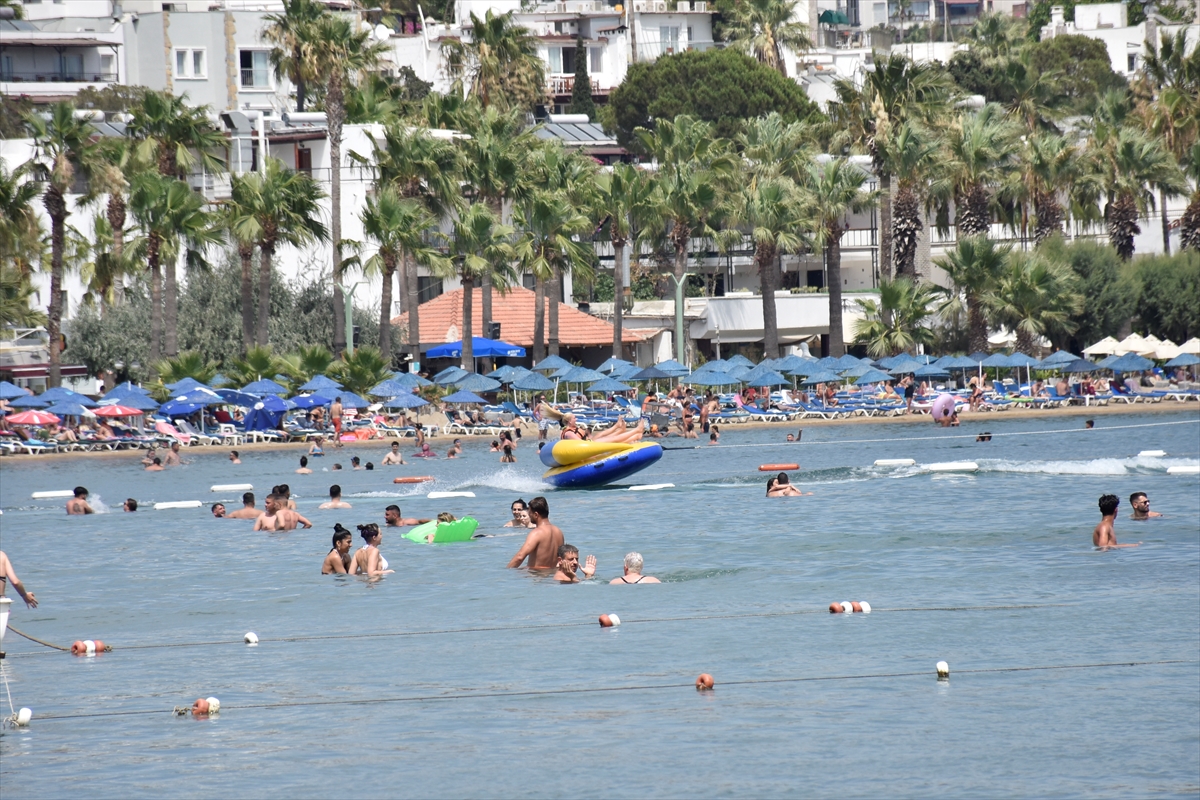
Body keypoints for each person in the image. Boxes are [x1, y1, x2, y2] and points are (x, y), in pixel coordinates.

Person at [507, 496, 564, 570]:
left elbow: (520, 557)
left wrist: (506, 572)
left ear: (536, 515)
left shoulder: (536, 533)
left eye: (530, 513)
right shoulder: (558, 531)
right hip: (552, 576)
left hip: (538, 576)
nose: (529, 515)